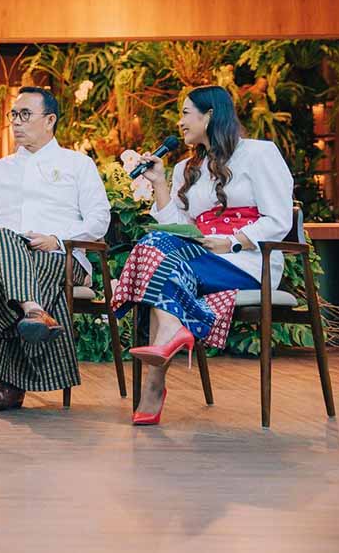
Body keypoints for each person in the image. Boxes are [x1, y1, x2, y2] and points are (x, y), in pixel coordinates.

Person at [111, 84, 294, 426]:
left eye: (185, 113)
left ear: (209, 115)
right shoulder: (185, 167)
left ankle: (155, 383)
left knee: (158, 259)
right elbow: (178, 228)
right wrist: (160, 184)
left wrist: (233, 241)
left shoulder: (259, 154)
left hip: (247, 261)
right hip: (199, 258)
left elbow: (279, 219)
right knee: (155, 247)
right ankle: (169, 336)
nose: (179, 122)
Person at [0, 87, 111, 411]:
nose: (16, 122)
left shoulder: (77, 164)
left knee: (26, 262)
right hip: (2, 255)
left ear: (49, 120)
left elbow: (99, 219)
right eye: (14, 115)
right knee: (4, 238)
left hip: (60, 256)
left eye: (25, 115)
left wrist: (57, 238)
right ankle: (33, 311)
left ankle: (11, 385)